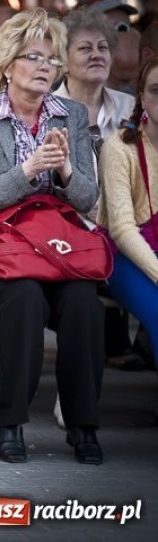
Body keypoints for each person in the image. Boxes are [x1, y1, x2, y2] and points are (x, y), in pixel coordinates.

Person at [0, 9, 105, 465]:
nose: (45, 67)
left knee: (82, 300)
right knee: (24, 297)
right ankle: (10, 423)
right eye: (33, 56)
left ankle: (83, 425)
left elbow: (88, 198)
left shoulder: (71, 114)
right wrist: (29, 170)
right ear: (8, 63)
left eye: (52, 59)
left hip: (55, 243)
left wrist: (67, 168)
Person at [56, 7, 141, 373]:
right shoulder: (48, 108)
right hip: (68, 236)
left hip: (125, 232)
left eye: (103, 48)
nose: (97, 55)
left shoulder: (131, 110)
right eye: (85, 48)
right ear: (62, 58)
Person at [98, 58, 158, 415]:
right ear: (141, 97)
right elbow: (121, 228)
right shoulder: (120, 146)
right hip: (123, 255)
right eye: (155, 91)